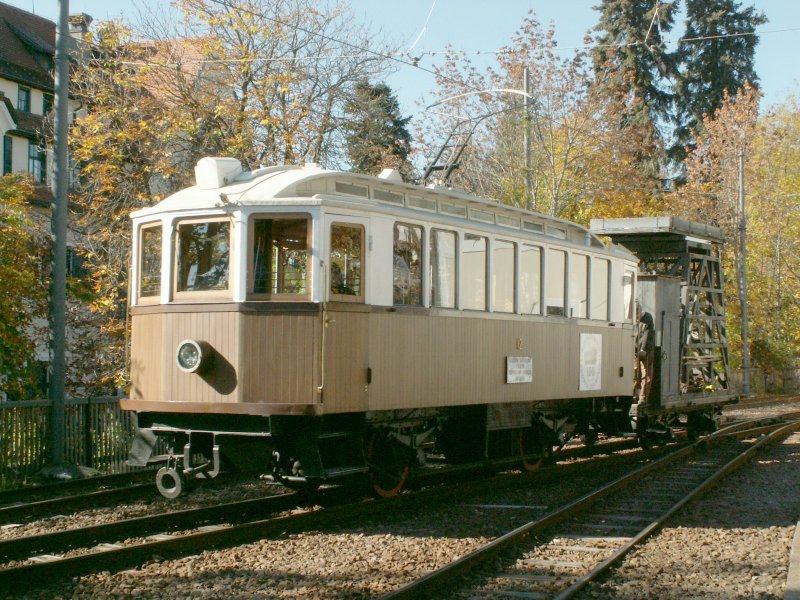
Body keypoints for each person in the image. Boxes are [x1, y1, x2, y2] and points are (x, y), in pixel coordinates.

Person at [634, 302, 655, 404]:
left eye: (637, 316)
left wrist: (643, 349)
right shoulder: (638, 319)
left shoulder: (647, 318)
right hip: (636, 349)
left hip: (646, 350)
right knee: (635, 374)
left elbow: (647, 334)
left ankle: (642, 398)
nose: (636, 318)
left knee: (646, 375)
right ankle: (634, 396)